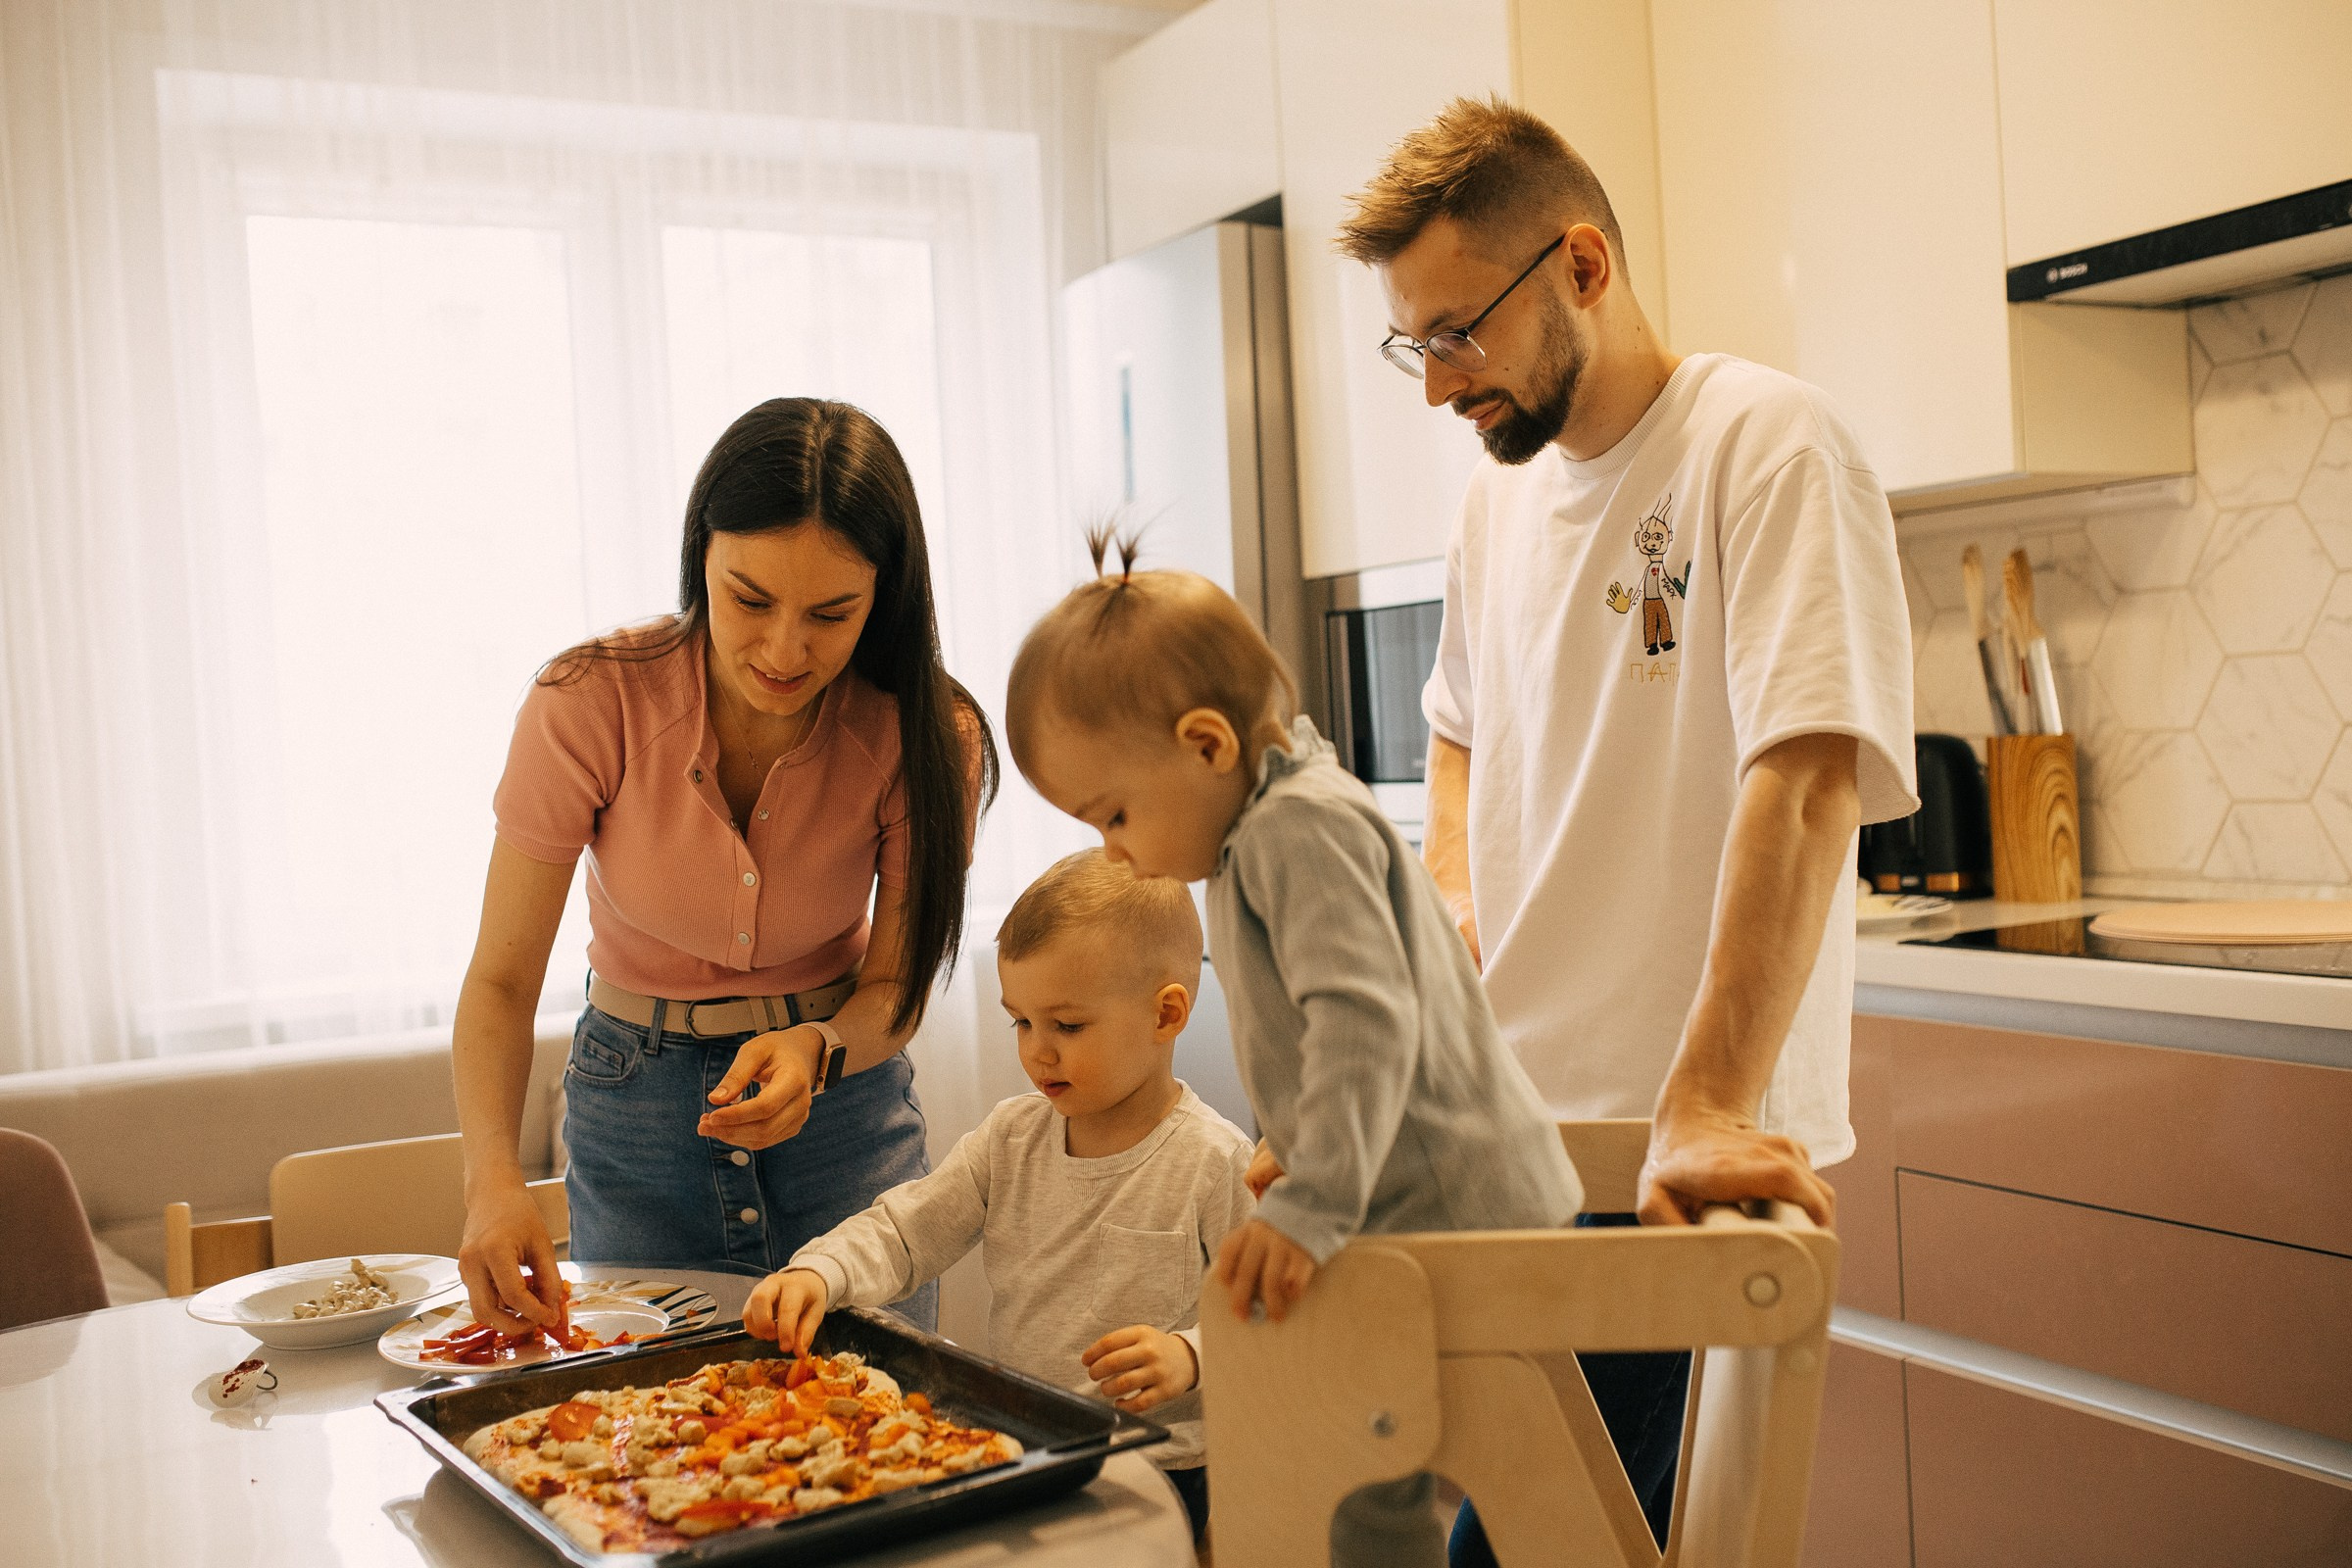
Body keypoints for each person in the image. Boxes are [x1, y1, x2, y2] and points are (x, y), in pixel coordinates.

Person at [1338, 97, 1919, 1560]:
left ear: (1581, 265)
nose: (1434, 386)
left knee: (1541, 1546)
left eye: (1456, 332)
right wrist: (1453, 949)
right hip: (1519, 1146)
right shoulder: (1495, 506)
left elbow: (1807, 773)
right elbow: (1457, 738)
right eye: (1417, 343)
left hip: (1672, 1160)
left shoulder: (1768, 444)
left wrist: (1713, 1101)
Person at [1005, 536, 1582, 1568]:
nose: (1115, 849)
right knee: (1357, 1454)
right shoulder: (1263, 824)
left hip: (1450, 1212)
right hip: (1424, 1203)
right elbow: (1327, 1037)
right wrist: (1308, 1145)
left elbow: (1366, 1022)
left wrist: (1317, 1197)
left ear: (1207, 745)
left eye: (1117, 813)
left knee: (1359, 1454)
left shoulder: (1291, 832)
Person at [452, 398, 997, 1339]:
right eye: (750, 599)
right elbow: (501, 981)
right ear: (700, 552)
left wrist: (818, 1050)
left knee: (882, 1413)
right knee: (662, 1437)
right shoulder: (589, 702)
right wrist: (494, 1182)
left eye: (833, 614)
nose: (786, 651)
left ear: (887, 595)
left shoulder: (929, 734)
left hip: (844, 1106)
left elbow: (897, 988)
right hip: (637, 1111)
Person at [744, 848, 1253, 1544]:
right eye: (1021, 1022)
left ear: (1166, 1015)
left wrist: (1192, 1354)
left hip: (1165, 1470)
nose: (1037, 1052)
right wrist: (821, 1270)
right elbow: (904, 1232)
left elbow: (1274, 1324)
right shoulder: (1009, 1139)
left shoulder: (1215, 1159)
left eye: (1067, 1026)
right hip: (1021, 1452)